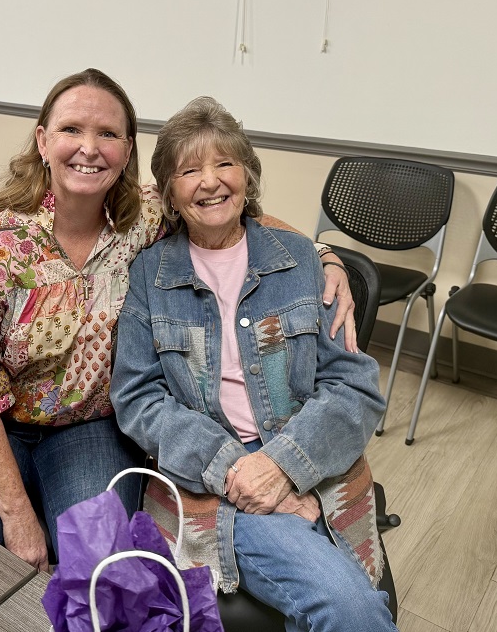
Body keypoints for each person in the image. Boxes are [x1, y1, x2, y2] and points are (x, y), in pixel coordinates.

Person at [0, 69, 357, 573]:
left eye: (108, 134)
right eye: (72, 129)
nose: (89, 148)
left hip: (86, 427)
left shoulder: (141, 223)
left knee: (99, 568)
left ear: (127, 151)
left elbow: (228, 213)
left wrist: (323, 255)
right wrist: (17, 517)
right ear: (42, 140)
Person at [111, 96, 397, 631]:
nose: (210, 181)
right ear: (168, 192)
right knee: (350, 606)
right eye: (189, 169)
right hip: (211, 476)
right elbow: (138, 399)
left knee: (342, 606)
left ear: (248, 175)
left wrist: (282, 465)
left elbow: (354, 388)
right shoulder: (149, 275)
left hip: (310, 451)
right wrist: (237, 470)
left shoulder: (301, 260)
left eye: (225, 164)